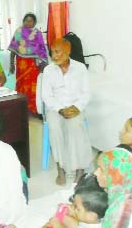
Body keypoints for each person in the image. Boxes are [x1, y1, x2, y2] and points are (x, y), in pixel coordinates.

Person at [41, 38, 91, 185]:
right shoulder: (48, 70)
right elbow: (46, 95)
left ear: (68, 51)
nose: (54, 55)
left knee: (75, 127)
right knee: (55, 128)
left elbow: (86, 93)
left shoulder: (80, 68)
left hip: (75, 107)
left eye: (57, 52)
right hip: (55, 109)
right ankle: (60, 169)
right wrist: (60, 109)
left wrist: (77, 107)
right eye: (52, 52)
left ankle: (80, 170)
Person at [93, 148, 132, 228]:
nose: (95, 173)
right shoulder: (130, 194)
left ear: (117, 175)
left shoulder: (123, 212)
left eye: (101, 169)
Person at [8, 13, 47, 114]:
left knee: (34, 87)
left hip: (33, 65)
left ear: (34, 22)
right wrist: (11, 63)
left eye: (31, 21)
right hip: (21, 65)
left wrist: (42, 65)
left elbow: (42, 49)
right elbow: (13, 49)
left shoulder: (37, 33)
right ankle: (22, 110)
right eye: (26, 20)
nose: (28, 23)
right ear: (23, 21)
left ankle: (34, 109)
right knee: (21, 86)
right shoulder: (18, 31)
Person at [44, 174, 108, 228]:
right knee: (61, 218)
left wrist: (59, 226)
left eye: (77, 208)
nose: (74, 208)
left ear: (91, 216)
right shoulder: (91, 218)